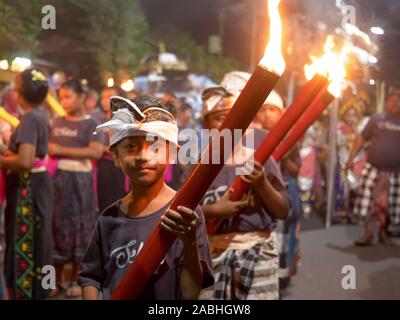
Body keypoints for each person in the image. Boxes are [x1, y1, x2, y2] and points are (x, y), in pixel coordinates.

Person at [78, 96, 213, 299]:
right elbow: (91, 277)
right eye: (131, 147)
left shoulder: (184, 214)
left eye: (155, 147)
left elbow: (191, 292)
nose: (143, 156)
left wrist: (189, 242)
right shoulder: (108, 219)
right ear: (115, 156)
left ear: (173, 153)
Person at [194, 71, 289, 300]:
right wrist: (213, 210)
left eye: (235, 118)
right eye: (219, 118)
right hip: (211, 254)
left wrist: (261, 183)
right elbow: (180, 209)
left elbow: (282, 210)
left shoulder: (260, 158)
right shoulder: (196, 163)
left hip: (257, 253)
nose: (228, 125)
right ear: (206, 125)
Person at [49, 79, 104, 298]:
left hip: (81, 184)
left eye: (68, 96)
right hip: (58, 182)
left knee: (80, 230)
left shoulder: (92, 124)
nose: (63, 101)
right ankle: (53, 281)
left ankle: (75, 282)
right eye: (61, 97)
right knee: (56, 228)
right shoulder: (56, 121)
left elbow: (95, 152)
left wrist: (60, 149)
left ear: (82, 97)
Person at [1, 69, 53, 299]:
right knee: (37, 241)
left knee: (28, 244)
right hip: (35, 185)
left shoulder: (31, 118)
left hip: (28, 189)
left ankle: (27, 293)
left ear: (20, 92)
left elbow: (24, 161)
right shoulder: (38, 115)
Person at [256, 91, 302, 288]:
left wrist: (285, 155)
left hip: (284, 191)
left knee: (284, 235)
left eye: (272, 110)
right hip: (262, 193)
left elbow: (295, 171)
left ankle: (282, 274)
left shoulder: (290, 138)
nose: (267, 114)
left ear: (281, 114)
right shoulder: (253, 137)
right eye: (263, 110)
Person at [346, 88, 400, 246]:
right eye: (392, 100)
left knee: (389, 204)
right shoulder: (376, 119)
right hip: (373, 169)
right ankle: (368, 233)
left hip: (396, 172)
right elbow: (361, 138)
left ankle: (384, 232)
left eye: (399, 100)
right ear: (387, 102)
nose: (395, 103)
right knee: (370, 202)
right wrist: (351, 159)